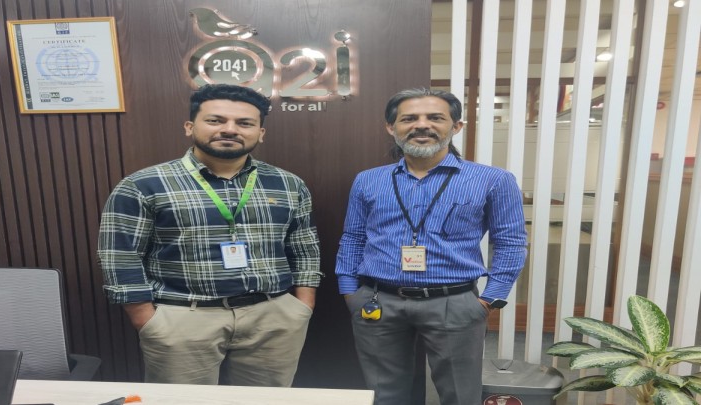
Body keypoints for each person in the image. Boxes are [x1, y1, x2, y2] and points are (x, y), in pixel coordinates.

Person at [98, 84, 322, 386]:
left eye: (244, 123)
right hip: (183, 317)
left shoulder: (288, 184)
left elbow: (305, 247)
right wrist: (147, 320)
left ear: (260, 133)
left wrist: (301, 306)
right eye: (215, 120)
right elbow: (120, 256)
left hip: (273, 316)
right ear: (190, 126)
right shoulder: (144, 185)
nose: (230, 129)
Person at [335, 88, 527, 405]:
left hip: (454, 302)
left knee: (459, 394)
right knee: (384, 394)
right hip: (378, 301)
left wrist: (491, 297)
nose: (422, 125)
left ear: (456, 126)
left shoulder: (493, 180)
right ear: (391, 127)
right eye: (409, 118)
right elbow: (353, 237)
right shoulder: (368, 180)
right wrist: (349, 291)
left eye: (435, 117)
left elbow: (510, 241)